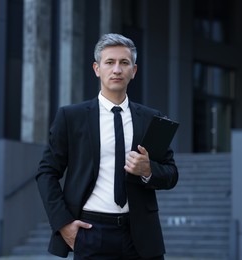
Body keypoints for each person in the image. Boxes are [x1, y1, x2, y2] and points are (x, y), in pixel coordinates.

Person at [36, 33, 179, 260]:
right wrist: (64, 224)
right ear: (97, 69)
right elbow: (46, 173)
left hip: (141, 235)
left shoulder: (152, 119)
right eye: (109, 62)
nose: (117, 70)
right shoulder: (70, 117)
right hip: (91, 233)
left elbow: (171, 174)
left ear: (134, 71)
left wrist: (148, 170)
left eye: (124, 63)